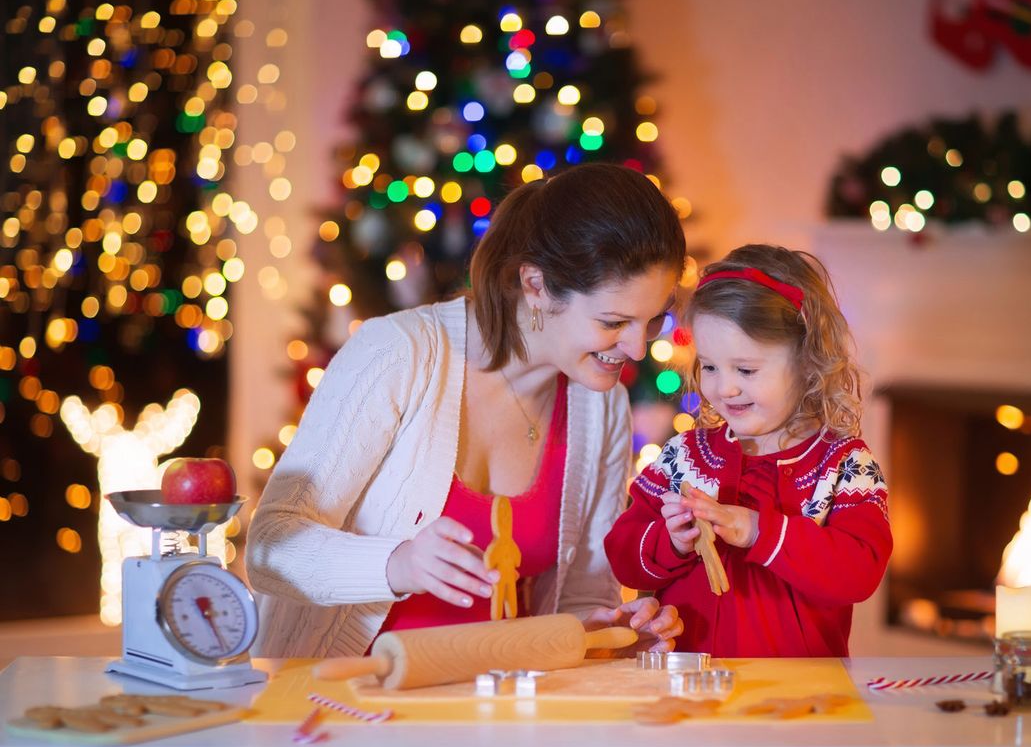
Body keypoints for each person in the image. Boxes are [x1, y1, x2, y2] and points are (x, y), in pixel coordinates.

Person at [246, 163, 685, 658]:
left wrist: (614, 633)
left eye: (652, 321)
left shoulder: (601, 406)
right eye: (614, 321)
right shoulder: (398, 353)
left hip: (489, 717)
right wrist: (398, 563)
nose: (637, 348)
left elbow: (581, 595)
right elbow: (269, 546)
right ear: (535, 285)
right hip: (336, 706)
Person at [604, 244, 892, 658]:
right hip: (689, 688)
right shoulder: (683, 456)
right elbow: (622, 555)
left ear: (807, 362)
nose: (725, 387)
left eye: (746, 369)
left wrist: (760, 531)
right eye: (709, 366)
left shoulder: (844, 464)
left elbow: (859, 572)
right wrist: (671, 541)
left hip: (800, 700)